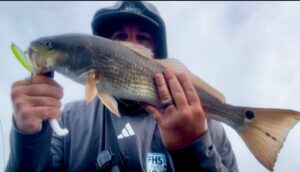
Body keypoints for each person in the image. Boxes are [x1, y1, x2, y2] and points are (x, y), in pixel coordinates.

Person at [6, 1, 238, 172]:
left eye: (142, 38)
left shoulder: (204, 124)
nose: (129, 45)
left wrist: (193, 148)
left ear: (157, 55)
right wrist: (28, 135)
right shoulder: (67, 121)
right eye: (119, 36)